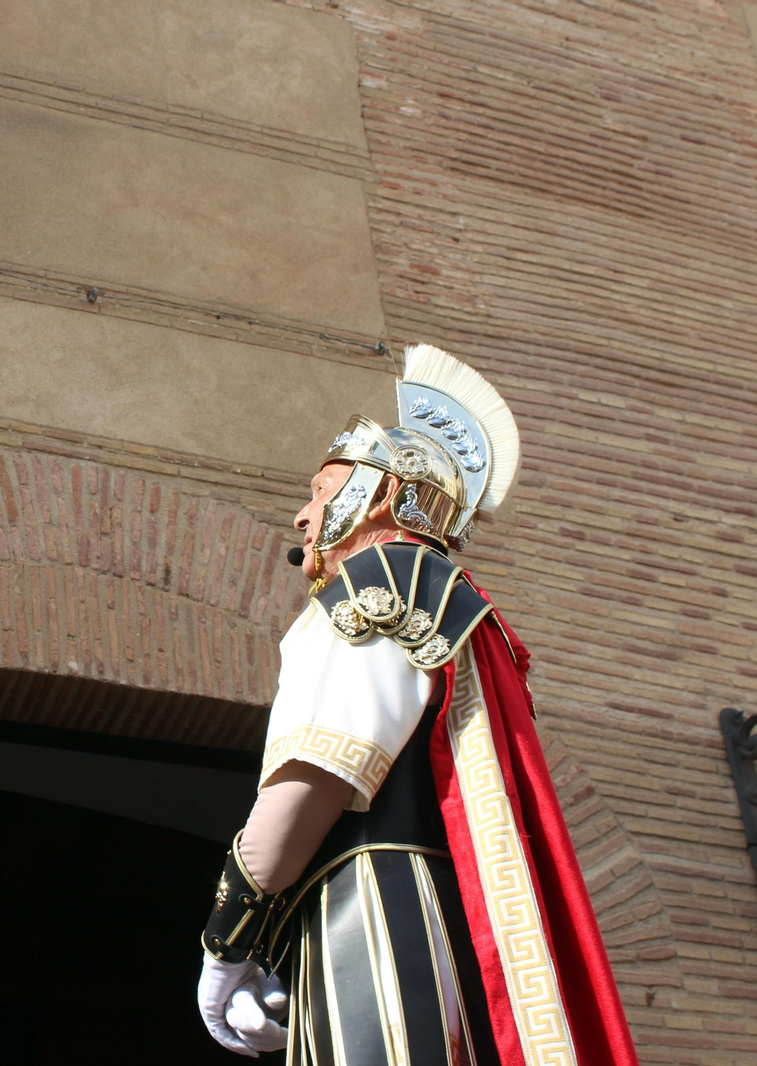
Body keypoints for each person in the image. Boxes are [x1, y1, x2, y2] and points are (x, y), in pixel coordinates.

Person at [197, 345, 638, 1066]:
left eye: (320, 490)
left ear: (378, 495)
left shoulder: (380, 583)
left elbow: (317, 773)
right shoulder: (462, 608)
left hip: (373, 922)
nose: (303, 517)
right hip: (457, 923)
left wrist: (228, 944)